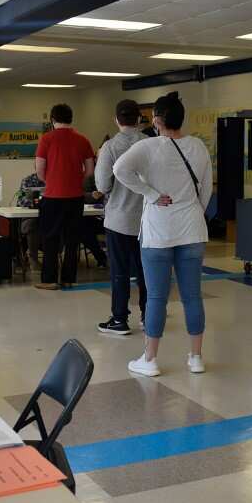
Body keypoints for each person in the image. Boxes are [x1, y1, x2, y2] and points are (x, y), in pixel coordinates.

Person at [114, 92, 211, 376]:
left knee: (156, 297)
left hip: (158, 231)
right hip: (192, 230)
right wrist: (193, 211)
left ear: (156, 120)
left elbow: (120, 170)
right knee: (192, 296)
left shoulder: (148, 146)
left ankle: (150, 359)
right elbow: (206, 189)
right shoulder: (198, 146)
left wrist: (151, 194)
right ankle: (196, 358)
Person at [95, 99, 148, 335]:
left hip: (118, 219)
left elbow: (102, 185)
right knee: (146, 271)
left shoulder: (110, 147)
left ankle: (119, 319)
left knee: (120, 271)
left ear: (116, 120)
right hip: (147, 220)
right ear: (139, 119)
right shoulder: (151, 144)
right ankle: (149, 316)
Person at [34, 104, 96, 290]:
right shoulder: (83, 140)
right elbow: (90, 170)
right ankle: (69, 279)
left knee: (50, 239)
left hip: (52, 197)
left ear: (52, 120)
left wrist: (52, 180)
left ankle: (49, 279)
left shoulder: (46, 139)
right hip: (76, 197)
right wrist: (76, 179)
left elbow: (39, 170)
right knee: (72, 240)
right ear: (71, 119)